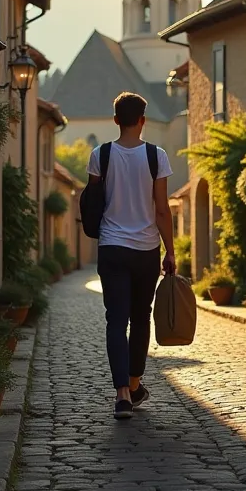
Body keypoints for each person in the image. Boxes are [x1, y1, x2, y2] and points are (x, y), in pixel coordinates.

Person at [86, 92, 176, 420]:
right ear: (142, 121)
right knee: (140, 319)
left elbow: (93, 198)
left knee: (116, 320)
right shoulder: (156, 156)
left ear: (114, 120)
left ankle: (123, 393)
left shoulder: (101, 155)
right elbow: (163, 210)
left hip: (111, 246)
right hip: (146, 249)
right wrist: (170, 251)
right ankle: (135, 382)